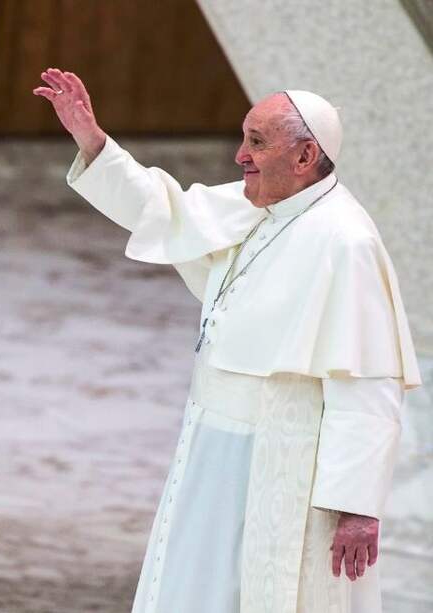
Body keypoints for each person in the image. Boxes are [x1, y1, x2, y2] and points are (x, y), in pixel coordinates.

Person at [33, 68, 423, 613]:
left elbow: (368, 386)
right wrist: (93, 141)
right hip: (210, 447)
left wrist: (357, 507)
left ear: (306, 155)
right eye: (244, 138)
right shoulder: (258, 204)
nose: (240, 154)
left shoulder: (346, 241)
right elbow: (161, 208)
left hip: (279, 463)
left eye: (257, 142)